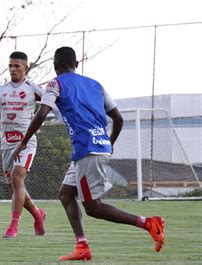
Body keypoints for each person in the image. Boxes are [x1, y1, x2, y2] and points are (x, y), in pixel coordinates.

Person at [13, 46, 165, 260]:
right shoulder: (96, 85)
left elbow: (42, 113)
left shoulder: (55, 83)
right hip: (94, 147)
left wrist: (24, 141)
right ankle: (82, 246)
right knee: (65, 193)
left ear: (55, 66)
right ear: (76, 65)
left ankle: (148, 223)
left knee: (93, 207)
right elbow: (119, 119)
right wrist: (108, 143)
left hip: (87, 149)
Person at [0, 51, 51, 238]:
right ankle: (37, 214)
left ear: (26, 67)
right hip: (7, 145)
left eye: (17, 66)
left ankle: (13, 226)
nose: (13, 69)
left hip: (26, 143)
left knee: (17, 178)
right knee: (16, 186)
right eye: (10, 66)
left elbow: (53, 103)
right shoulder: (0, 90)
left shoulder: (34, 89)